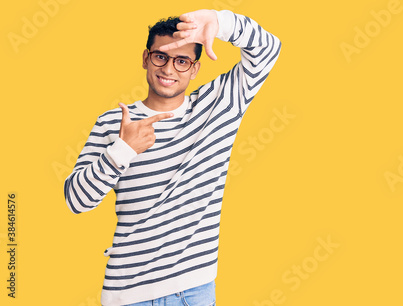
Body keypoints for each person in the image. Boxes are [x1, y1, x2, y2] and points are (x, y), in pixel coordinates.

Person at [63, 8, 281, 306]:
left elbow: (268, 48)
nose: (168, 69)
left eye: (182, 61)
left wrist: (220, 23)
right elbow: (76, 201)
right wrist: (122, 150)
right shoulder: (114, 123)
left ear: (194, 69)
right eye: (160, 56)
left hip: (194, 291)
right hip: (128, 294)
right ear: (145, 58)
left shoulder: (219, 105)